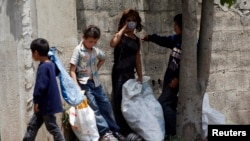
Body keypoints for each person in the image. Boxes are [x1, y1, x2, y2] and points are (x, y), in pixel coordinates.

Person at [69, 25, 125, 141]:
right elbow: (72, 71)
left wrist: (95, 71)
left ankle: (114, 130)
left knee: (106, 106)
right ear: (83, 37)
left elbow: (103, 58)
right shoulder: (78, 51)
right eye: (90, 41)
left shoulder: (95, 50)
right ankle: (105, 133)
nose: (92, 44)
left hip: (96, 83)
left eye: (95, 41)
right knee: (95, 108)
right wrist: (77, 87)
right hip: (84, 84)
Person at [142, 13, 182, 138]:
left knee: (161, 104)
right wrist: (150, 37)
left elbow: (190, 66)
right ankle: (172, 131)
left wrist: (178, 79)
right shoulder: (176, 40)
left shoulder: (191, 44)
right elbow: (164, 40)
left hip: (174, 82)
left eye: (176, 24)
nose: (174, 27)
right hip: (169, 79)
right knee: (169, 104)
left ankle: (175, 131)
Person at [110, 9, 143, 141]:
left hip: (130, 74)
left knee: (129, 102)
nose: (131, 23)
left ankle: (129, 130)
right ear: (124, 22)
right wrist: (123, 29)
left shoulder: (136, 40)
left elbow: (137, 59)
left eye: (134, 21)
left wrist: (140, 76)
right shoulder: (120, 36)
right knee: (118, 100)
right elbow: (112, 43)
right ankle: (121, 131)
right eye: (128, 20)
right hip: (118, 72)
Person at [23, 38, 65, 141]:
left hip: (45, 105)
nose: (32, 56)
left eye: (32, 53)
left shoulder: (43, 67)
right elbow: (57, 72)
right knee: (33, 125)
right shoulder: (51, 64)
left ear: (36, 52)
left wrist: (36, 102)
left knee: (52, 127)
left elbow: (40, 86)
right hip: (47, 103)